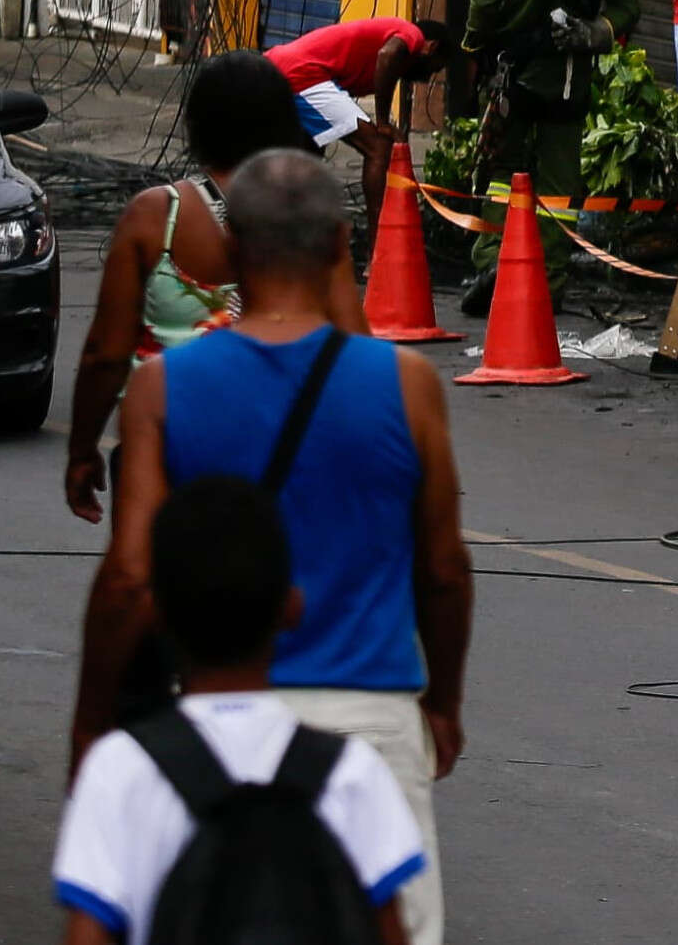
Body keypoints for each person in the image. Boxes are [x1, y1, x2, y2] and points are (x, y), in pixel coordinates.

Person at [77, 150, 470, 945]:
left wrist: (93, 721)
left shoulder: (164, 387)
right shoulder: (407, 385)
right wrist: (442, 702)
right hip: (372, 719)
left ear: (229, 251)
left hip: (212, 726)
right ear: (337, 247)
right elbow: (441, 567)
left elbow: (128, 578)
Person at [50, 473, 422, 945]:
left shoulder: (121, 768)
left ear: (157, 613)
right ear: (291, 608)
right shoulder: (352, 772)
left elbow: (87, 935)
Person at [65, 57, 366, 526]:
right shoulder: (316, 221)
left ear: (198, 126)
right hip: (283, 458)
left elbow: (106, 354)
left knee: (163, 588)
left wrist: (83, 451)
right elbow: (355, 350)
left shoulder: (155, 216)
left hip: (167, 453)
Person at [454, 0, 637, 316]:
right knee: (559, 186)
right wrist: (594, 32)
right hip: (569, 82)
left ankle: (493, 263)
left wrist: (475, 46)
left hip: (513, 78)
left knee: (500, 173)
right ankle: (550, 282)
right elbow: (628, 8)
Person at [264, 17, 446, 219]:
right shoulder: (414, 35)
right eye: (435, 68)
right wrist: (383, 122)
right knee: (378, 146)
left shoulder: (395, 37)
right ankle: (379, 239)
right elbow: (387, 54)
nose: (429, 77)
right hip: (303, 73)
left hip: (279, 65)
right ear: (432, 47)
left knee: (309, 155)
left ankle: (285, 225)